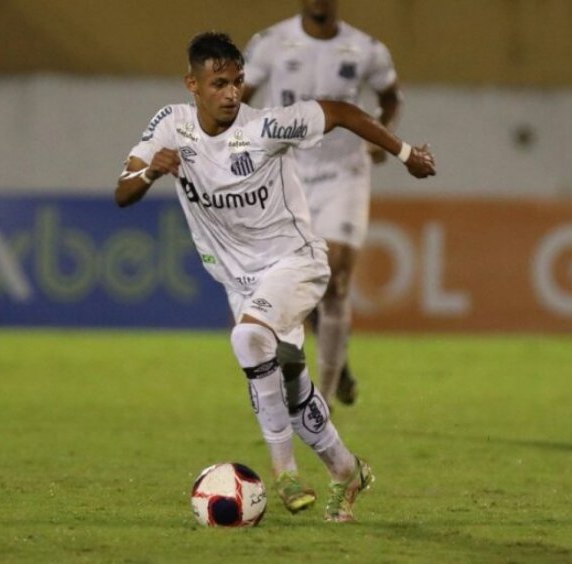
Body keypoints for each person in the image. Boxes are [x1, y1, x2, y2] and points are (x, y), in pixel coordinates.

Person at [115, 31, 434, 522]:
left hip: (295, 262)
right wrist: (149, 173)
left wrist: (406, 152)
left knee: (247, 338)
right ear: (192, 85)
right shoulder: (170, 126)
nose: (231, 93)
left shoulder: (266, 127)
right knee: (289, 388)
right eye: (219, 83)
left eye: (238, 81)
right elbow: (123, 191)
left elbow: (343, 111)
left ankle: (283, 475)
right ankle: (347, 470)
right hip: (240, 281)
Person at [242, 0, 404, 408]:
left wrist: (382, 134)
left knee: (336, 281)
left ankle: (324, 399)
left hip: (344, 174)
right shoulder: (270, 43)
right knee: (295, 282)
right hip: (286, 173)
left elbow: (391, 96)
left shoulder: (366, 49)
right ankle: (339, 360)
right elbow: (237, 97)